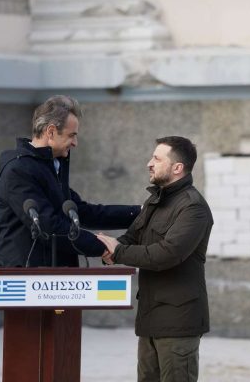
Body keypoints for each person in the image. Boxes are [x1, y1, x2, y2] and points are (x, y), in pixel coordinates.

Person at [97, 136, 213, 382]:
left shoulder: (193, 208)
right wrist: (106, 248)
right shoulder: (155, 200)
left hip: (178, 322)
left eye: (157, 159)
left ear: (177, 167)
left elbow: (167, 254)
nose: (149, 163)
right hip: (151, 317)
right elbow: (132, 237)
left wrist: (118, 251)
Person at [0, 95, 140, 267]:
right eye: (72, 135)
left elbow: (83, 212)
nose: (75, 143)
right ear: (50, 131)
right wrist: (103, 247)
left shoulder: (50, 167)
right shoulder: (18, 170)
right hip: (28, 276)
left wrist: (141, 213)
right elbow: (48, 227)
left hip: (57, 276)